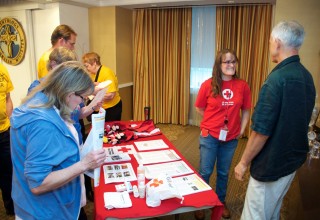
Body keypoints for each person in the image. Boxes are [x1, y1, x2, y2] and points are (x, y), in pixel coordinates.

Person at [234, 20, 316, 220]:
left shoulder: (276, 80)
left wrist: (243, 162)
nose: (269, 45)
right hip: (292, 160)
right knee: (273, 210)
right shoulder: (306, 76)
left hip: (272, 163)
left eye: (270, 41)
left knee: (255, 215)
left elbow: (261, 131)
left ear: (277, 43)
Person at [10, 61, 107, 219]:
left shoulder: (44, 100)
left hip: (35, 205)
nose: (82, 103)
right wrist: (84, 164)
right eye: (82, 97)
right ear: (69, 93)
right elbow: (38, 183)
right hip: (46, 211)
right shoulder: (44, 124)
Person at [194, 49, 251, 219]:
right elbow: (199, 107)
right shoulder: (208, 84)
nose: (230, 65)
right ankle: (201, 202)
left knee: (224, 172)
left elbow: (246, 110)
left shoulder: (242, 86)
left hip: (230, 138)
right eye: (226, 62)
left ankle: (220, 202)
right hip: (209, 136)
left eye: (233, 61)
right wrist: (212, 122)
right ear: (219, 65)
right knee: (205, 171)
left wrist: (240, 130)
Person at [82, 52, 122, 122]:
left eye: (87, 66)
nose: (86, 68)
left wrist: (92, 94)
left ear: (94, 63)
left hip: (111, 108)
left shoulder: (107, 73)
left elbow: (110, 96)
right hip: (100, 108)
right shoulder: (92, 74)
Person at [0, 63, 14, 216]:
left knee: (8, 171)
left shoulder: (2, 69)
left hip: (4, 130)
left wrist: (10, 120)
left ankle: (10, 206)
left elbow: (8, 98)